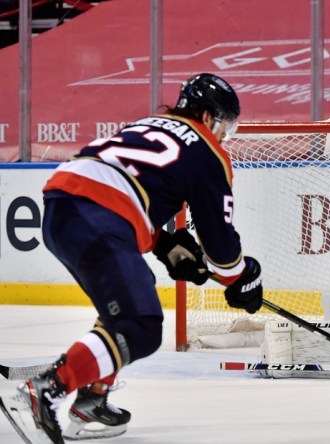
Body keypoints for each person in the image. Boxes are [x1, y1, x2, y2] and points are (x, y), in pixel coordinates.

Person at [0, 73, 264, 443]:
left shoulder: (147, 124)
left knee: (121, 311)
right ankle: (42, 391)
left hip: (62, 207)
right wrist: (243, 276)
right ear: (207, 118)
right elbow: (220, 250)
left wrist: (162, 244)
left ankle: (92, 401)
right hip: (96, 216)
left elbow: (124, 187)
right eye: (224, 126)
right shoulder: (207, 150)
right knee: (140, 325)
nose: (223, 136)